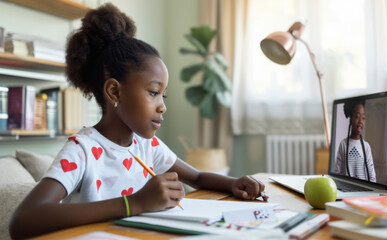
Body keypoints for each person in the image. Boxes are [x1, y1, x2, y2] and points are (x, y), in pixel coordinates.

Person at [9, 3, 265, 239]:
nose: (163, 105)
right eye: (154, 92)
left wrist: (233, 183)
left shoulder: (146, 146)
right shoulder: (82, 150)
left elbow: (196, 178)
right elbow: (23, 221)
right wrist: (134, 203)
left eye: (163, 95)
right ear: (114, 92)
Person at [334, 98, 376, 182]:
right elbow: (338, 172)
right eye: (357, 117)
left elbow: (372, 176)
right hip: (347, 188)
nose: (360, 121)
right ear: (350, 119)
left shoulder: (366, 146)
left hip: (363, 190)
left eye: (363, 118)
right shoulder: (343, 144)